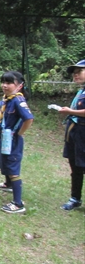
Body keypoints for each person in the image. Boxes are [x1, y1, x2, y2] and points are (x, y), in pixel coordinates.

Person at [0, 71, 34, 214]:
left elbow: (29, 119)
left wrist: (19, 133)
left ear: (19, 85)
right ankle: (8, 184)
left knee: (13, 167)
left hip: (12, 138)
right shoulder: (8, 99)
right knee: (4, 160)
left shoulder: (18, 100)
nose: (4, 85)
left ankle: (18, 203)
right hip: (4, 136)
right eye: (3, 82)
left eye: (9, 83)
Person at [58, 59, 85, 211]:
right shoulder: (81, 91)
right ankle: (75, 198)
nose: (75, 75)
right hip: (74, 133)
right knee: (75, 166)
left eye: (79, 72)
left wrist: (70, 111)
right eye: (74, 73)